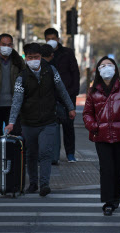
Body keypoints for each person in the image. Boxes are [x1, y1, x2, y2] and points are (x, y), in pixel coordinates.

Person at [4, 43, 76, 196]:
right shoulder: (21, 77)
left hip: (48, 121)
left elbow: (61, 90)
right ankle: (33, 183)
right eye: (30, 57)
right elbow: (17, 101)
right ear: (26, 58)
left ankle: (44, 184)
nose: (33, 60)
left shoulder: (50, 70)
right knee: (31, 154)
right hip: (28, 122)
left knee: (45, 152)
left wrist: (70, 108)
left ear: (41, 57)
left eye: (36, 57)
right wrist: (11, 122)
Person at [83, 56, 120, 216]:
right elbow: (87, 113)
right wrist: (94, 126)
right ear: (98, 70)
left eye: (109, 65)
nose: (106, 68)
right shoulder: (93, 90)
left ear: (115, 68)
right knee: (107, 169)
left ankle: (116, 198)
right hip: (101, 137)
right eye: (103, 65)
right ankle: (108, 202)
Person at [44, 28, 80, 162]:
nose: (51, 41)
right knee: (51, 126)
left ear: (58, 39)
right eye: (48, 39)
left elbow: (75, 73)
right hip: (50, 95)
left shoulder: (67, 53)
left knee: (68, 125)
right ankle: (54, 155)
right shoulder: (44, 53)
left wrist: (73, 92)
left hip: (68, 94)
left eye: (53, 38)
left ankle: (70, 153)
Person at [41, 44, 61, 165]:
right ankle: (53, 156)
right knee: (53, 132)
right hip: (51, 107)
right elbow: (61, 90)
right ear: (52, 55)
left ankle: (43, 156)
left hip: (36, 109)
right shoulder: (52, 69)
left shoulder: (28, 69)